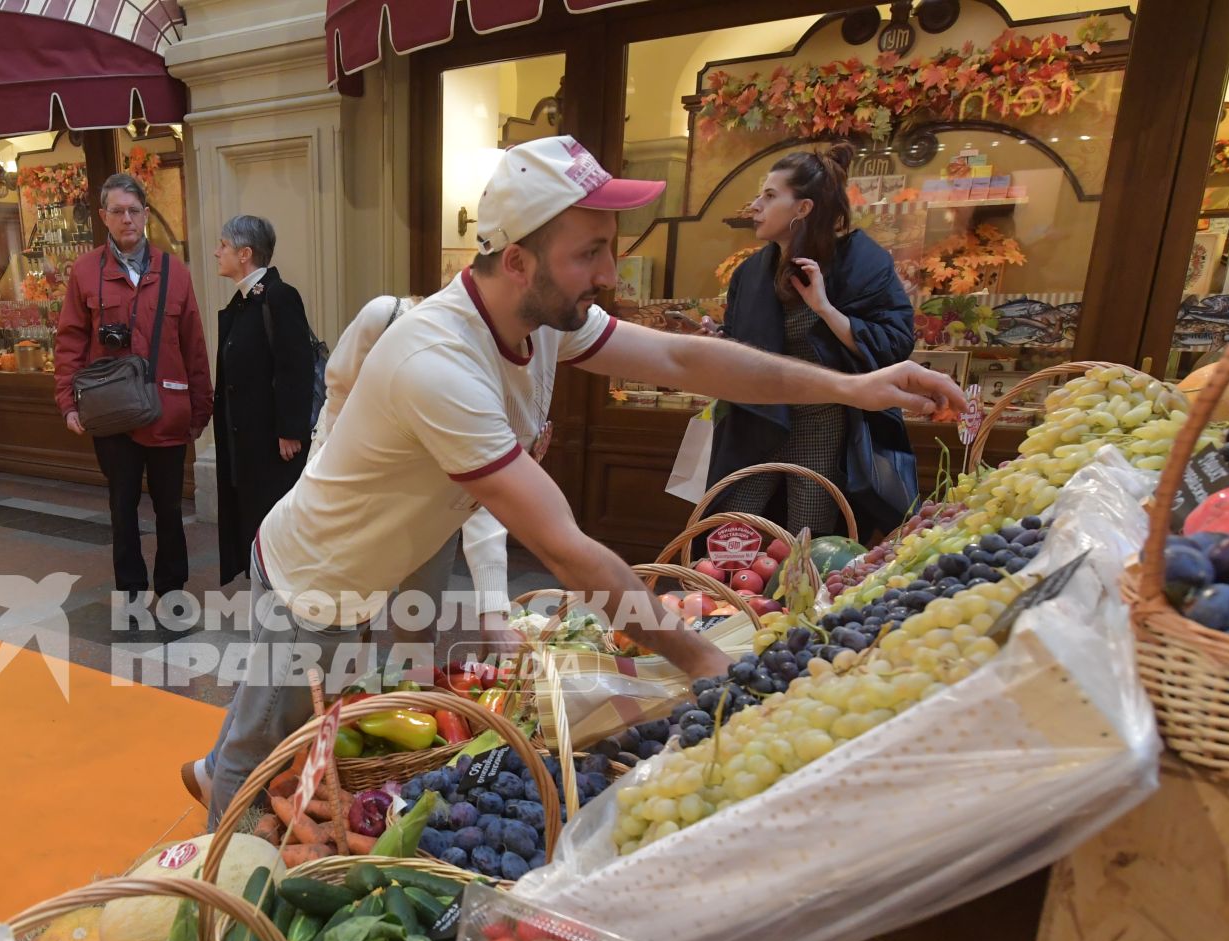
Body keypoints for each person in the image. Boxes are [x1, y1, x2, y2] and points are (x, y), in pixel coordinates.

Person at [186, 136, 964, 822]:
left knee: (358, 699)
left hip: (409, 544)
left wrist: (854, 387)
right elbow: (563, 548)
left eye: (608, 245)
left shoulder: (540, 314)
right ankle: (216, 889)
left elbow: (681, 359)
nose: (607, 270)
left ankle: (212, 760)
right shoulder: (439, 362)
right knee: (265, 751)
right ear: (517, 259)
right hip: (320, 571)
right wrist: (702, 661)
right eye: (588, 252)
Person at [704, 143, 918, 534]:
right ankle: (729, 596)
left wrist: (824, 308)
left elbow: (894, 344)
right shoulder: (750, 272)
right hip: (756, 418)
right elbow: (741, 344)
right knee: (730, 528)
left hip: (824, 421)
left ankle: (805, 598)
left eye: (770, 196)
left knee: (811, 538)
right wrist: (715, 340)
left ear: (803, 208)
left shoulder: (862, 262)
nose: (755, 205)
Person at [55, 172, 213, 633]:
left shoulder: (174, 271)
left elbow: (194, 345)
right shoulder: (85, 272)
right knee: (121, 506)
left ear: (146, 215)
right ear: (103, 216)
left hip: (167, 411)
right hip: (111, 413)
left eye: (135, 210)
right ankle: (130, 588)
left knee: (169, 506)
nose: (127, 219)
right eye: (118, 211)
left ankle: (172, 585)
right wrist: (68, 402)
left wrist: (201, 409)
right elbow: (69, 341)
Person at [316, 294, 511, 620]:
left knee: (418, 622)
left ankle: (414, 671)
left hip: (428, 511)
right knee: (344, 618)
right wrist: (324, 482)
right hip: (361, 501)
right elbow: (338, 392)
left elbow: (483, 490)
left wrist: (493, 608)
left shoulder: (471, 382)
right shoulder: (383, 317)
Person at [210, 214, 314, 586]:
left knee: (275, 522)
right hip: (248, 442)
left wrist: (291, 430)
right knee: (254, 520)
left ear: (245, 253)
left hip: (274, 444)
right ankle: (265, 592)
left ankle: (284, 596)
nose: (216, 252)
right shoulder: (243, 302)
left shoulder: (279, 296)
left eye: (223, 245)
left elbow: (295, 366)